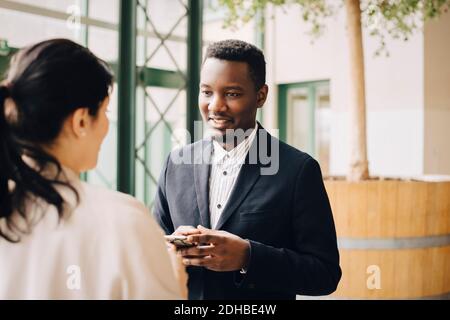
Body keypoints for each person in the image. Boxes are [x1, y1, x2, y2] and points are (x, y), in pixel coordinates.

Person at [153, 39, 341, 300]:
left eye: (232, 94)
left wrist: (248, 256)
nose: (215, 106)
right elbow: (151, 250)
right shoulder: (175, 164)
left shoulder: (298, 170)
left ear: (260, 96)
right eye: (207, 92)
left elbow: (325, 274)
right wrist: (170, 248)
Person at [0, 39, 186, 299]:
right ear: (81, 120)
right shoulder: (122, 221)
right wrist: (176, 284)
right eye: (105, 111)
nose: (107, 125)